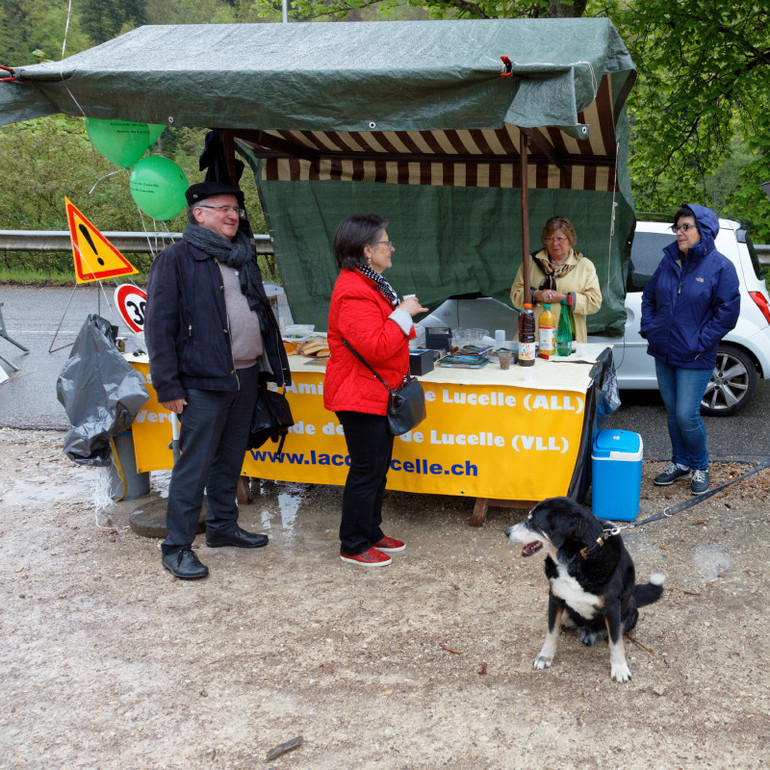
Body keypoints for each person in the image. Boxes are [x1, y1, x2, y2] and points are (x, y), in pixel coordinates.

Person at [145, 181, 291, 579]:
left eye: (236, 210)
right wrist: (169, 386)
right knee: (194, 465)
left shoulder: (241, 256)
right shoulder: (175, 259)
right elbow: (158, 328)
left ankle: (223, 528)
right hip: (202, 381)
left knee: (229, 459)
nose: (233, 215)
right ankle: (176, 547)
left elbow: (259, 314)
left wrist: (271, 366)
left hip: (244, 374)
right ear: (199, 214)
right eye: (223, 208)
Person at [323, 214, 427, 567]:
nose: (391, 247)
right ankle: (352, 544)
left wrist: (400, 314)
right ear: (367, 250)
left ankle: (371, 531)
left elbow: (391, 337)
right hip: (359, 395)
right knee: (367, 470)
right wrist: (403, 313)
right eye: (386, 242)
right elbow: (376, 347)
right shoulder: (353, 290)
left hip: (377, 393)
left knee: (378, 468)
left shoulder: (372, 284)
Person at [641, 204, 739, 495]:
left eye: (686, 227)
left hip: (696, 354)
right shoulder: (670, 260)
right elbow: (649, 297)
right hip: (665, 350)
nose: (679, 232)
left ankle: (700, 466)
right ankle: (680, 462)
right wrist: (651, 329)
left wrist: (699, 341)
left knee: (687, 413)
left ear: (704, 231)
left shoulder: (720, 267)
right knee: (672, 412)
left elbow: (727, 314)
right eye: (678, 227)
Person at [510, 216, 602, 342]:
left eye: (560, 238)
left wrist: (565, 299)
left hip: (568, 339)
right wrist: (536, 295)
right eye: (550, 239)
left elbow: (594, 302)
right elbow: (516, 295)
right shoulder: (530, 262)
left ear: (570, 239)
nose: (555, 243)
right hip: (534, 338)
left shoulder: (584, 266)